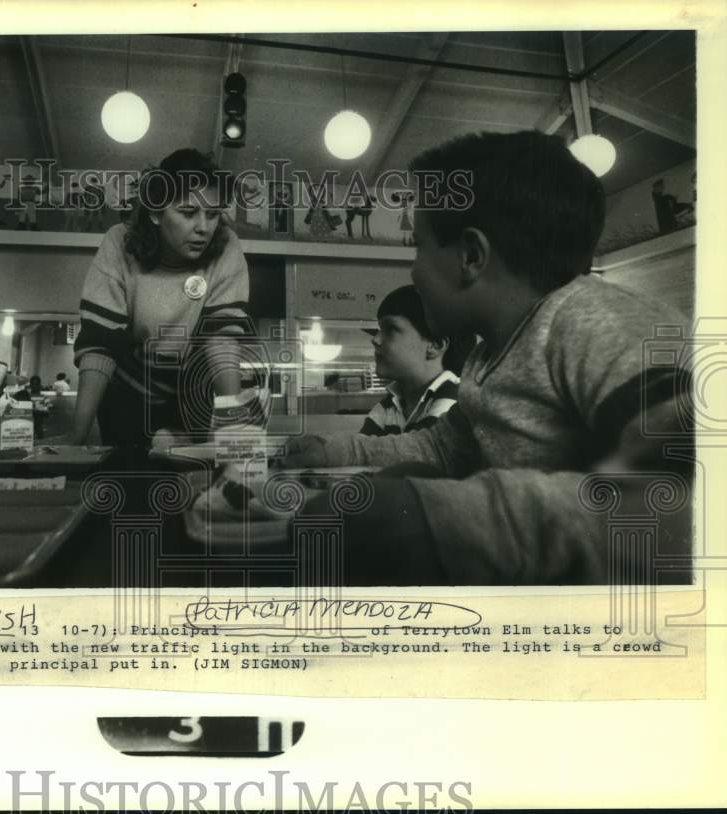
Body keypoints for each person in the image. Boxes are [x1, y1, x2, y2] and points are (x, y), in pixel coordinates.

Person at [283, 130, 692, 585]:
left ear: (471, 256)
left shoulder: (596, 320)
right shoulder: (486, 355)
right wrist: (334, 450)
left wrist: (440, 517)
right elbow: (439, 448)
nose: (414, 270)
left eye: (418, 246)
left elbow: (678, 499)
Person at [69, 148, 251, 446]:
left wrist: (234, 423)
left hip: (192, 391)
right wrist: (77, 436)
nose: (203, 228)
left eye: (213, 213)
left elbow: (222, 339)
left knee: (196, 482)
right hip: (126, 392)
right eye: (188, 212)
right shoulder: (119, 242)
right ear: (155, 211)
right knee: (128, 478)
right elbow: (100, 344)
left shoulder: (227, 245)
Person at [359, 285, 473, 436]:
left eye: (391, 329)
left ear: (435, 345)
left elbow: (419, 455)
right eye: (379, 329)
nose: (375, 340)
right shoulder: (391, 404)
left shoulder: (455, 401)